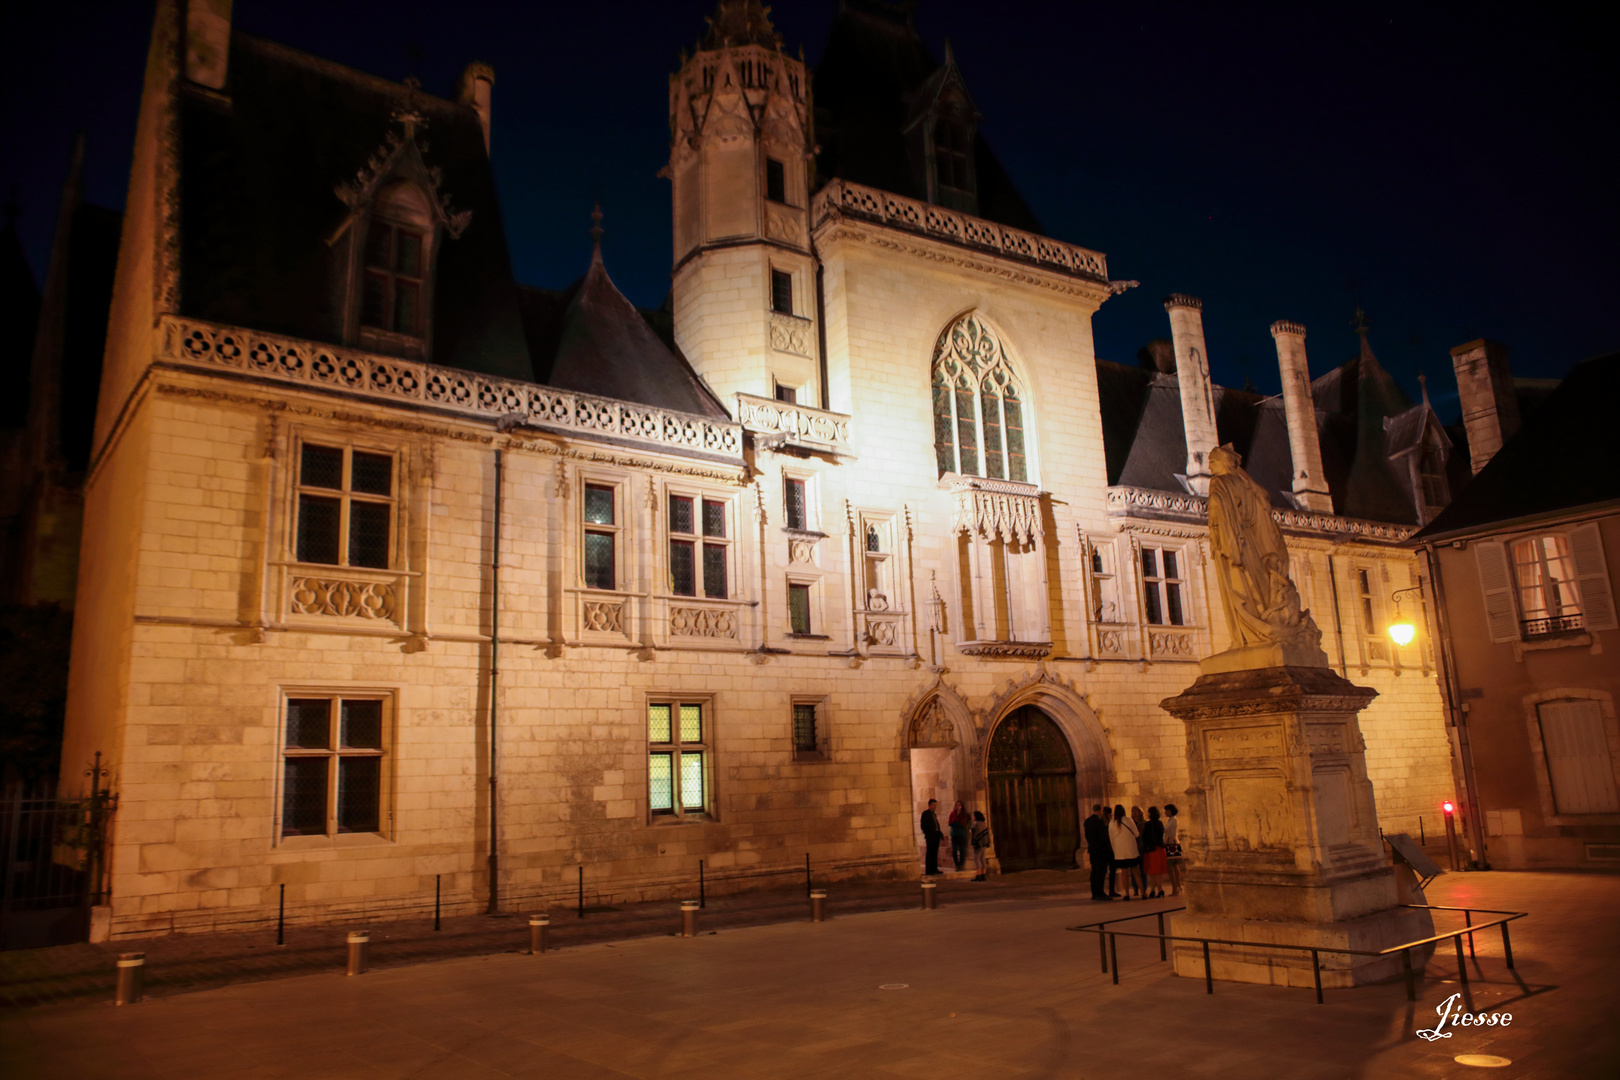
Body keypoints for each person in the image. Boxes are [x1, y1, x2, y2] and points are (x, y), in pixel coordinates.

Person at [1108, 804, 1144, 900]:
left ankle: (1127, 894)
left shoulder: (1112, 823)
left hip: (1120, 851)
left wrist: (1115, 850)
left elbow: (1111, 839)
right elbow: (1136, 834)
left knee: (1124, 872)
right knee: (1136, 871)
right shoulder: (1128, 820)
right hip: (1131, 850)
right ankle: (1143, 893)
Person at [1083, 804, 1113, 900]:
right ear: (1100, 811)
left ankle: (1094, 893)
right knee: (1101, 872)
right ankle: (1100, 893)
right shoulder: (1099, 822)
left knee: (1094, 871)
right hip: (1100, 851)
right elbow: (1103, 837)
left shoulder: (1087, 822)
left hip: (1092, 850)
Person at [1141, 806, 1168, 898]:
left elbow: (1144, 836)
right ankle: (1152, 890)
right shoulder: (1160, 823)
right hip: (1160, 848)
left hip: (1152, 850)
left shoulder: (1148, 824)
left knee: (1154, 872)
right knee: (1157, 872)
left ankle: (1160, 890)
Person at [1164, 803, 1183, 895]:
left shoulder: (1174, 820)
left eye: (1167, 810)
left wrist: (1167, 841)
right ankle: (1176, 886)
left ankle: (1176, 886)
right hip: (1171, 843)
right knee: (1173, 866)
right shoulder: (1170, 820)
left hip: (1172, 844)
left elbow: (1172, 833)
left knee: (1171, 866)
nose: (1165, 812)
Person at [920, 799, 943, 876]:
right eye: (933, 805)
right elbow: (923, 825)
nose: (935, 806)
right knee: (930, 852)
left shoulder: (934, 814)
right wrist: (929, 832)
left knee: (935, 852)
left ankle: (934, 868)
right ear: (929, 805)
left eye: (935, 805)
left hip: (936, 836)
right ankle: (929, 870)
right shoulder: (926, 814)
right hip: (930, 836)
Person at [948, 801, 971, 872]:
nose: (957, 807)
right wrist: (956, 822)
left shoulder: (964, 814)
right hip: (954, 834)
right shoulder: (952, 813)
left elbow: (963, 823)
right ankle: (956, 865)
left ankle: (961, 864)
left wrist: (956, 823)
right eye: (956, 805)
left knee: (962, 850)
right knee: (954, 850)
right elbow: (950, 822)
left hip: (961, 834)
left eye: (959, 805)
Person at [969, 811, 991, 881]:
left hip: (978, 843)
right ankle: (983, 874)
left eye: (973, 816)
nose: (972, 817)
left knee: (976, 859)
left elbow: (975, 833)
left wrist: (971, 832)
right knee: (982, 858)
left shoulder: (975, 824)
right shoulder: (983, 823)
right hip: (984, 843)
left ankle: (978, 875)